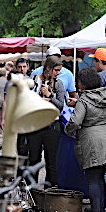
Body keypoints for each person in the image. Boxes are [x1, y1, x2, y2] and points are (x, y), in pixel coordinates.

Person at [65, 68, 106, 212]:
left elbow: (75, 121)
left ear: (83, 83)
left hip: (91, 139)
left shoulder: (84, 99)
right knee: (101, 177)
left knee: (93, 178)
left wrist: (69, 131)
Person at [27, 56, 65, 186]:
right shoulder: (34, 80)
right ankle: (31, 193)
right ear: (48, 68)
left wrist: (50, 96)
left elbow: (60, 105)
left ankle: (50, 192)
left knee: (52, 161)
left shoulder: (58, 83)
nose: (57, 73)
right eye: (56, 70)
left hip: (52, 126)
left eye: (59, 70)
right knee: (33, 160)